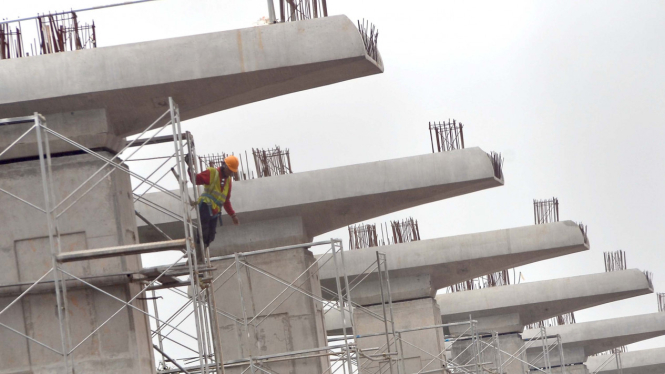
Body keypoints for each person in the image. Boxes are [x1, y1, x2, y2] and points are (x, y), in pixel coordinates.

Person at [186, 154, 240, 257]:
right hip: (206, 206)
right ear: (224, 166)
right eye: (230, 170)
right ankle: (196, 256)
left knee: (210, 237)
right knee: (203, 232)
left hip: (215, 210)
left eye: (232, 172)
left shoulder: (228, 181)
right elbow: (195, 179)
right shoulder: (212, 172)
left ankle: (200, 256)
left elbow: (226, 200)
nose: (231, 173)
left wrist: (233, 215)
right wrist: (190, 167)